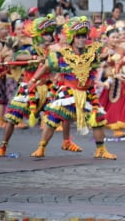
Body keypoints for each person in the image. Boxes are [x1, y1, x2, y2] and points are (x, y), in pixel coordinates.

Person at [27, 16, 116, 160]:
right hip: (67, 93)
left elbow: (107, 52)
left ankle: (101, 150)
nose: (81, 39)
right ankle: (41, 148)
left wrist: (110, 53)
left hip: (87, 93)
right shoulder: (62, 54)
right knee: (52, 119)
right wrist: (33, 79)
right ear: (72, 38)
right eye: (78, 37)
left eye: (83, 36)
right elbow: (47, 67)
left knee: (97, 119)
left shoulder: (92, 53)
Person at [0, 15, 81, 156]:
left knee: (64, 111)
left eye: (49, 34)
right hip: (30, 86)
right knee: (12, 117)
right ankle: (3, 146)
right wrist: (34, 58)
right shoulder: (31, 48)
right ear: (38, 35)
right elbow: (17, 57)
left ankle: (62, 142)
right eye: (45, 34)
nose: (48, 37)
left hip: (49, 87)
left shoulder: (54, 50)